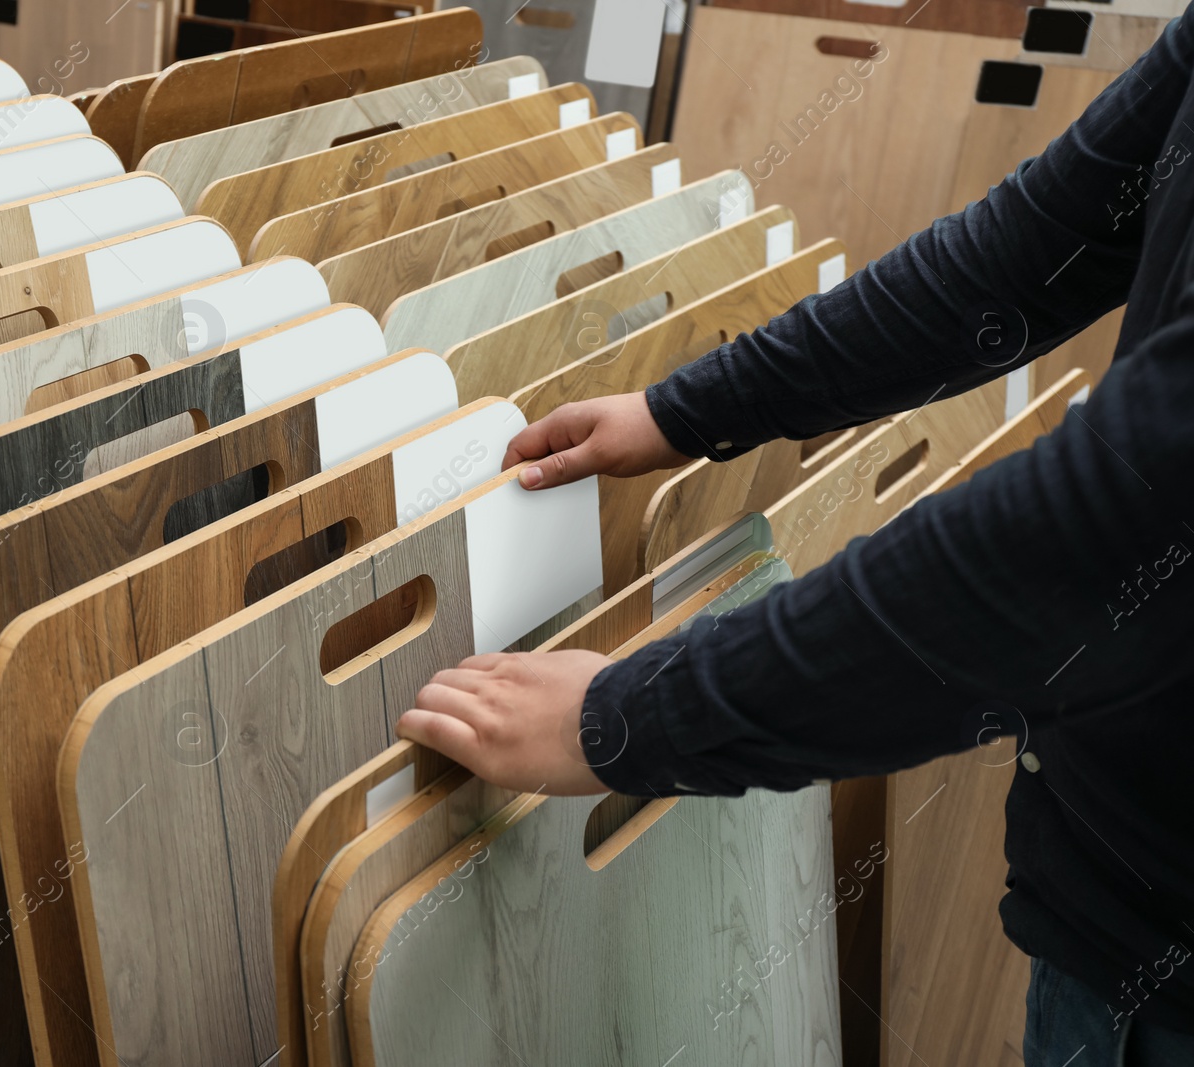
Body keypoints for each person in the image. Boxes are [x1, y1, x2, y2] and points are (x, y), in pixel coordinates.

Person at [395, 8, 1194, 1066]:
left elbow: (1102, 536)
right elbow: (1020, 256)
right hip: (1113, 905)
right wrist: (686, 410)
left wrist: (629, 716)